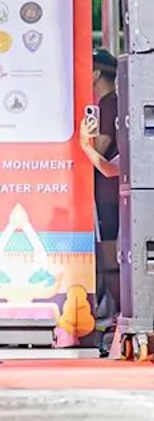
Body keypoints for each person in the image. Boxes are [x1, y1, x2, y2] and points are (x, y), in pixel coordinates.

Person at [91, 51, 121, 315]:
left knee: (110, 254)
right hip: (110, 192)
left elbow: (101, 147)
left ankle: (119, 313)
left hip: (108, 193)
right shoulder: (113, 103)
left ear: (97, 73)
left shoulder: (108, 104)